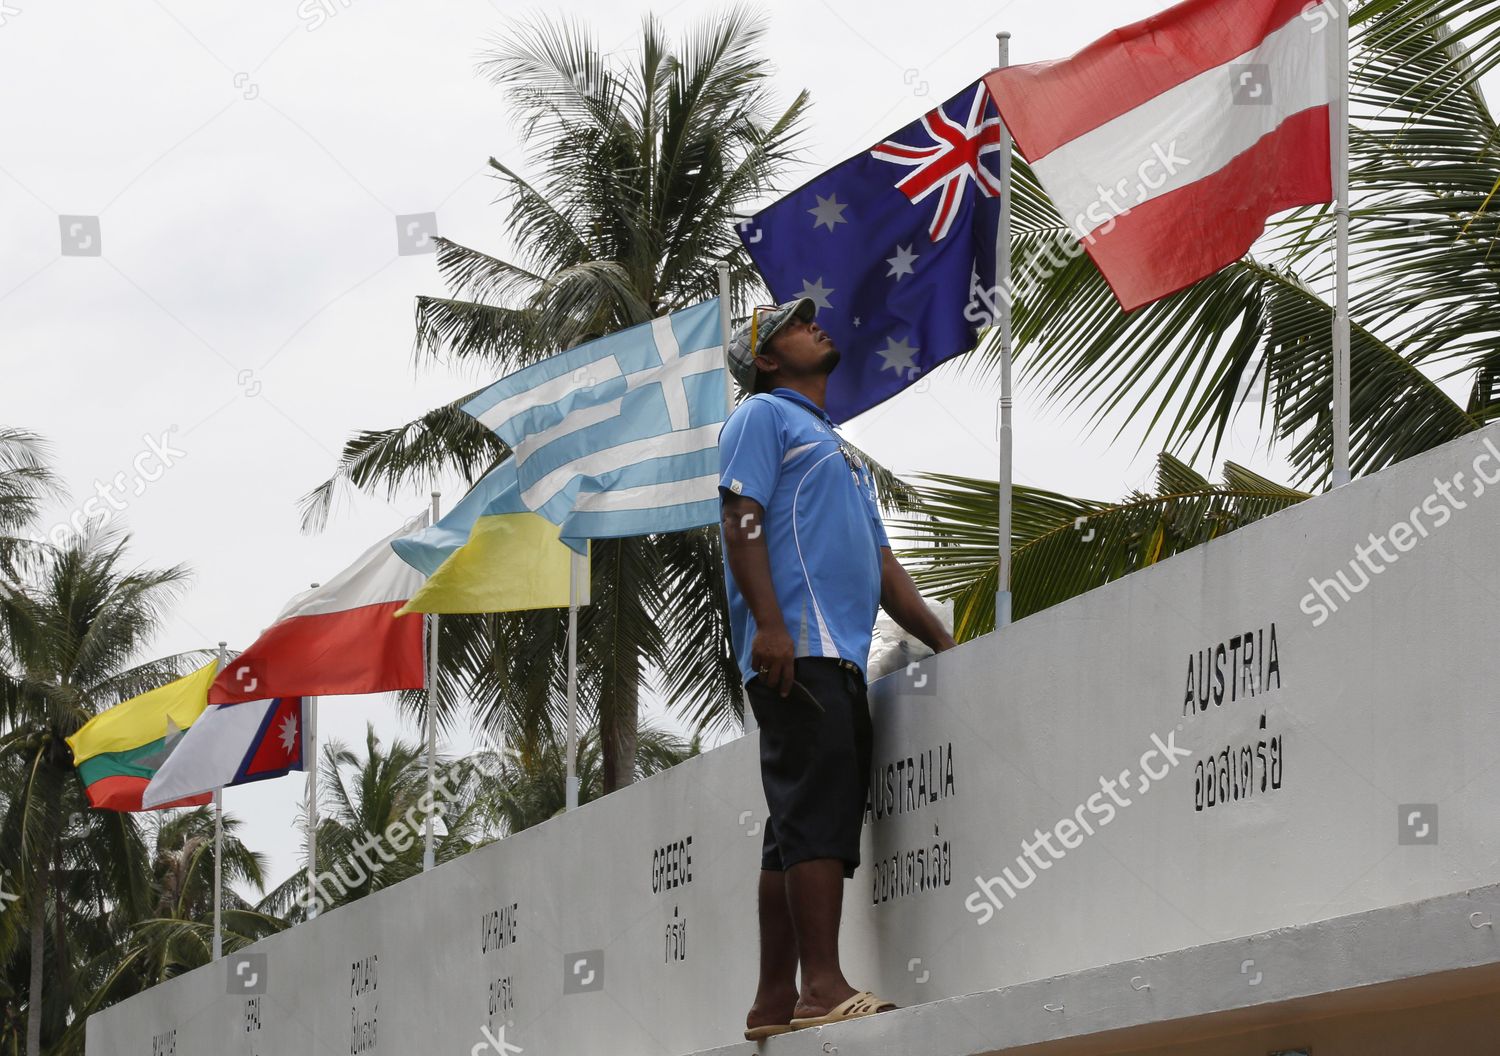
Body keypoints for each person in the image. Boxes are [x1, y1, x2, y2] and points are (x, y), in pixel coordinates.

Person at [718, 298, 957, 1041]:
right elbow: (742, 516)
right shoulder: (763, 418)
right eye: (793, 324)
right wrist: (770, 624)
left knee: (791, 827)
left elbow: (886, 567)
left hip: (838, 655)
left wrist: (946, 646)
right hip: (801, 647)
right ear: (765, 359)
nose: (815, 325)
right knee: (817, 814)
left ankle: (771, 1002)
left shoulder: (837, 447)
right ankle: (822, 985)